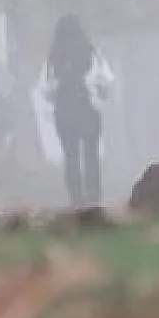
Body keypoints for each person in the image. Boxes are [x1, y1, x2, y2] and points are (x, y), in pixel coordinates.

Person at [38, 14, 114, 207]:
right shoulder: (91, 52)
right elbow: (106, 80)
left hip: (64, 112)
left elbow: (45, 89)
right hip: (88, 109)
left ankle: (76, 197)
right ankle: (94, 195)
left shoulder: (53, 56)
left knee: (70, 155)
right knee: (91, 154)